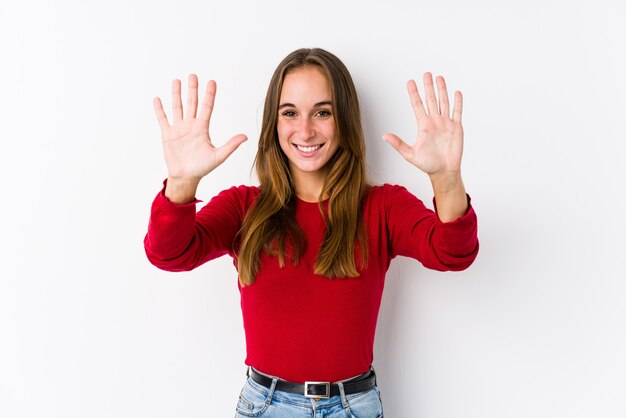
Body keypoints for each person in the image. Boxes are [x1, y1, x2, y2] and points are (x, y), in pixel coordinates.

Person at [145, 48, 478, 417]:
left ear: (345, 120)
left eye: (322, 112)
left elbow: (452, 252)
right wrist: (181, 182)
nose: (305, 130)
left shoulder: (382, 207)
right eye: (290, 113)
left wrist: (446, 179)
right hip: (265, 406)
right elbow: (170, 254)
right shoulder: (244, 207)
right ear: (274, 122)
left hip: (353, 407)